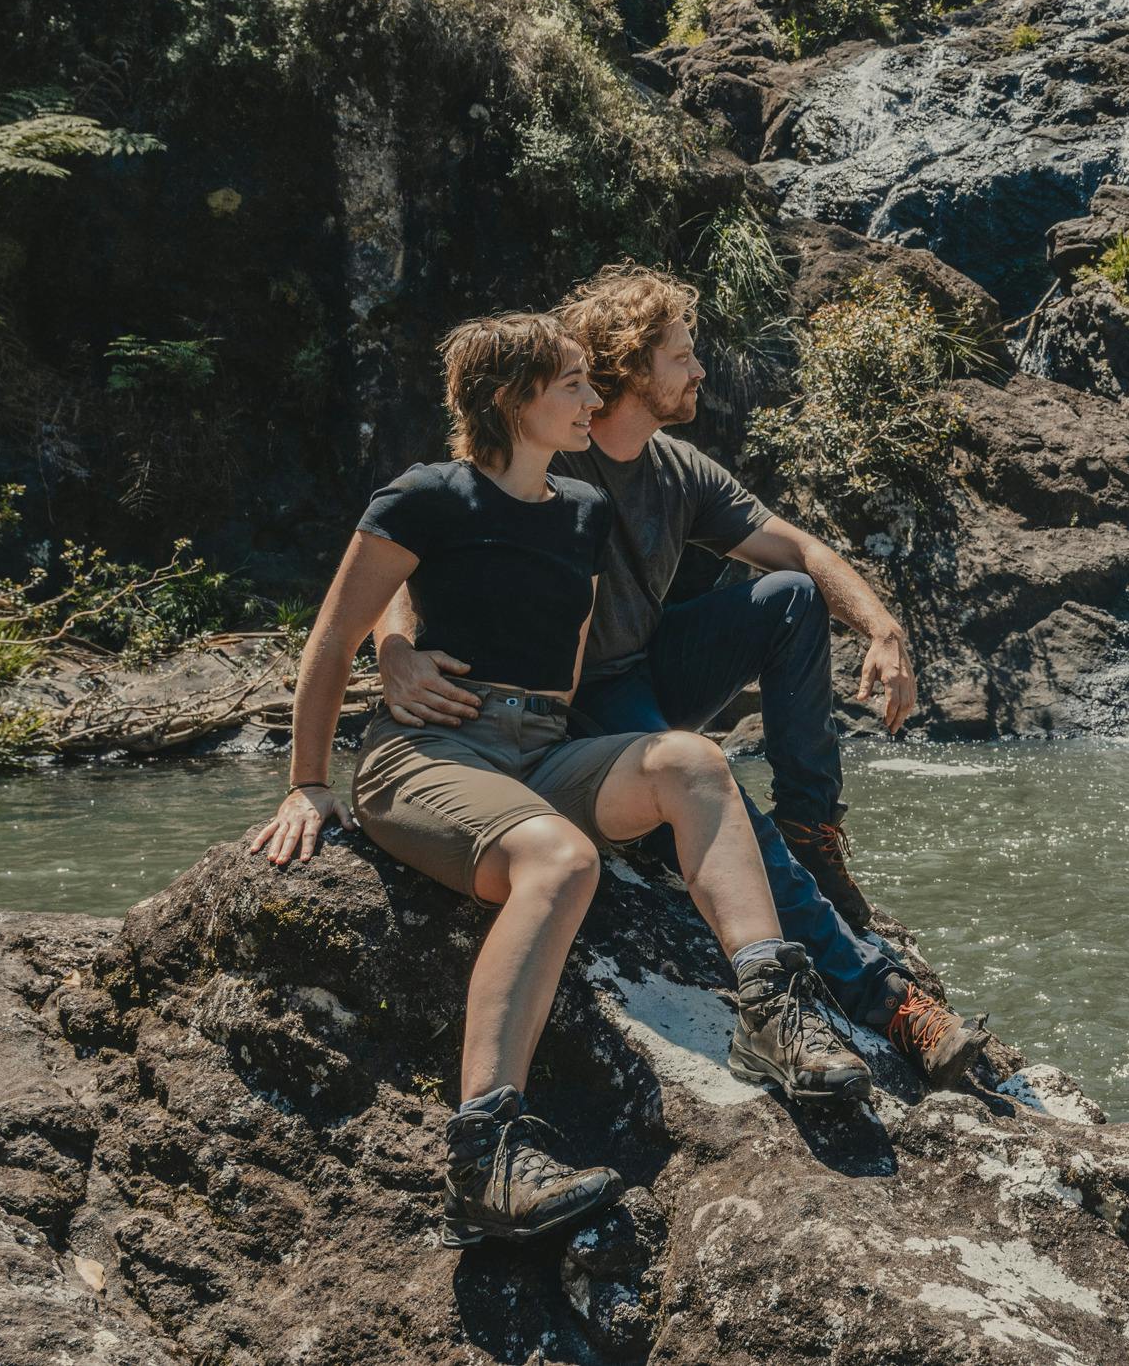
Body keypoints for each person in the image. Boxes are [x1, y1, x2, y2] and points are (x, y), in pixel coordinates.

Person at [248, 313, 873, 1249]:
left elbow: (567, 675)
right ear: (512, 400)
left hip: (543, 744)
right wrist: (311, 776)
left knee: (693, 761)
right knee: (561, 859)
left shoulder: (583, 512)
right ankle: (485, 1149)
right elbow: (335, 637)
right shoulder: (424, 497)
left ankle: (771, 1009)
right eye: (574, 383)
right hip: (428, 755)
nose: (593, 398)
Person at [374, 264, 986, 1090]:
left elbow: (798, 548)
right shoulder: (549, 450)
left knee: (791, 598)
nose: (700, 370)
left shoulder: (676, 467)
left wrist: (881, 626)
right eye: (682, 354)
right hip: (574, 705)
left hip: (646, 663)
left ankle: (812, 830)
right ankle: (888, 1000)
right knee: (717, 785)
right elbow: (409, 560)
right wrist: (396, 650)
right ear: (629, 366)